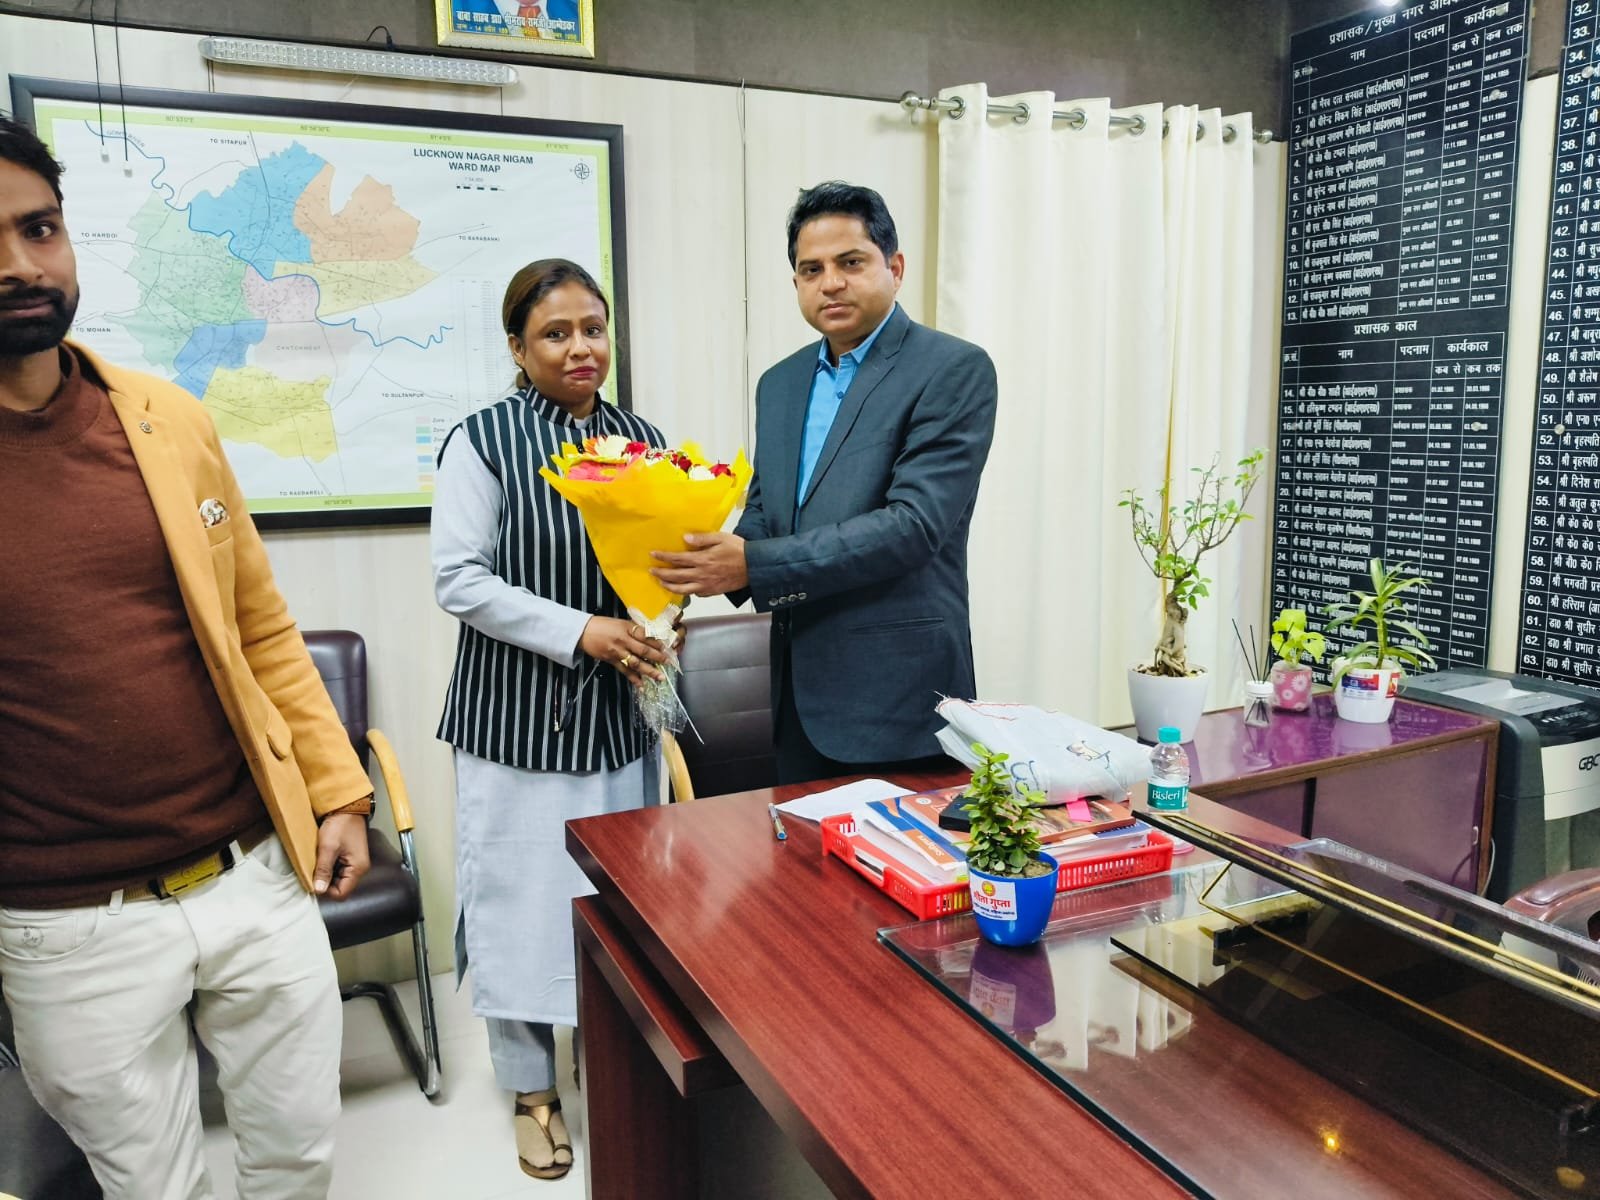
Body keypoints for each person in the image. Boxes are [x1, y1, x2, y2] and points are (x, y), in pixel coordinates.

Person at [0, 116, 373, 1199]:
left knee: (298, 1158)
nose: (20, 265)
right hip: (69, 922)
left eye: (39, 228)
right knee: (151, 1186)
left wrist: (337, 792)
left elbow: (260, 626)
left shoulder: (164, 420)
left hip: (254, 871)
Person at [431, 258, 669, 1181]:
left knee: (616, 903)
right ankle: (532, 1089)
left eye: (593, 329)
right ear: (517, 348)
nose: (581, 348)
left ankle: (611, 1057)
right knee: (521, 906)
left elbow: (658, 563)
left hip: (619, 717)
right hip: (517, 723)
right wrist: (582, 631)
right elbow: (459, 580)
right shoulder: (483, 442)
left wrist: (663, 616)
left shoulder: (641, 440)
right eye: (556, 334)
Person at [652, 181, 999, 783]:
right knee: (799, 846)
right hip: (796, 700)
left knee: (899, 846)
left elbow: (913, 527)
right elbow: (766, 513)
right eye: (811, 270)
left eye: (851, 263)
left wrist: (751, 564)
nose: (830, 283)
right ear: (796, 283)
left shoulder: (952, 368)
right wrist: (686, 572)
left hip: (901, 697)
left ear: (895, 268)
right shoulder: (780, 383)